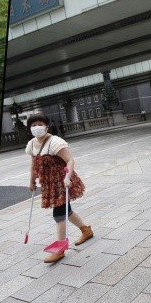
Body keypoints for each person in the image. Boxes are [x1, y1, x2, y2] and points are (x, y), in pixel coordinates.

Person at [26, 113, 93, 263]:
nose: (37, 127)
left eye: (40, 124)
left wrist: (67, 178)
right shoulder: (31, 144)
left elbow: (70, 160)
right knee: (66, 211)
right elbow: (34, 165)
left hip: (62, 182)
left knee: (59, 214)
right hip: (49, 184)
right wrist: (31, 182)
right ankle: (86, 230)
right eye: (33, 125)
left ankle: (60, 249)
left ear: (46, 126)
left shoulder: (55, 142)